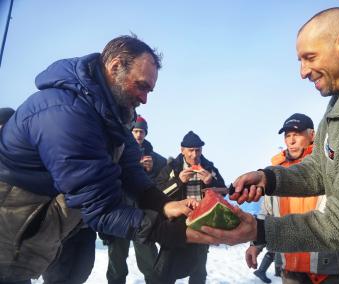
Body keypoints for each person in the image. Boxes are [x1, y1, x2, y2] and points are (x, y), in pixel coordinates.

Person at [197, 7, 339, 284]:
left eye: (309, 58)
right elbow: (319, 168)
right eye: (300, 60)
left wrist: (259, 231)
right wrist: (269, 178)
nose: (302, 72)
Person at [0, 35, 196, 284]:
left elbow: (128, 168)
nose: (145, 99)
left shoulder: (112, 111)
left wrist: (162, 204)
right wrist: (174, 232)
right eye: (142, 86)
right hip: (11, 237)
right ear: (115, 67)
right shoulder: (66, 112)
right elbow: (101, 208)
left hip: (55, 230)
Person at [246, 113, 339, 284]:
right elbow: (266, 212)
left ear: (312, 135)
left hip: (327, 268)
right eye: (287, 135)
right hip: (290, 268)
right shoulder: (274, 173)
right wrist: (255, 245)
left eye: (296, 134)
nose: (291, 141)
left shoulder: (328, 164)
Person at [152, 130, 226, 283]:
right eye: (190, 150)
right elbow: (157, 194)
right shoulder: (171, 168)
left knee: (198, 269)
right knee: (166, 268)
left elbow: (223, 192)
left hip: (201, 223)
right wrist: (178, 181)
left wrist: (210, 183)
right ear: (182, 150)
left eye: (197, 150)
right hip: (175, 225)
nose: (194, 154)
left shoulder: (209, 168)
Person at [105, 115, 167, 284]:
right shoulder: (116, 154)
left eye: (142, 132)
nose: (139, 135)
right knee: (116, 264)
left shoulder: (158, 160)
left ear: (146, 134)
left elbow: (162, 188)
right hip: (119, 214)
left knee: (150, 263)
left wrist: (151, 172)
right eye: (135, 131)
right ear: (130, 132)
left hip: (144, 217)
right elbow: (107, 179)